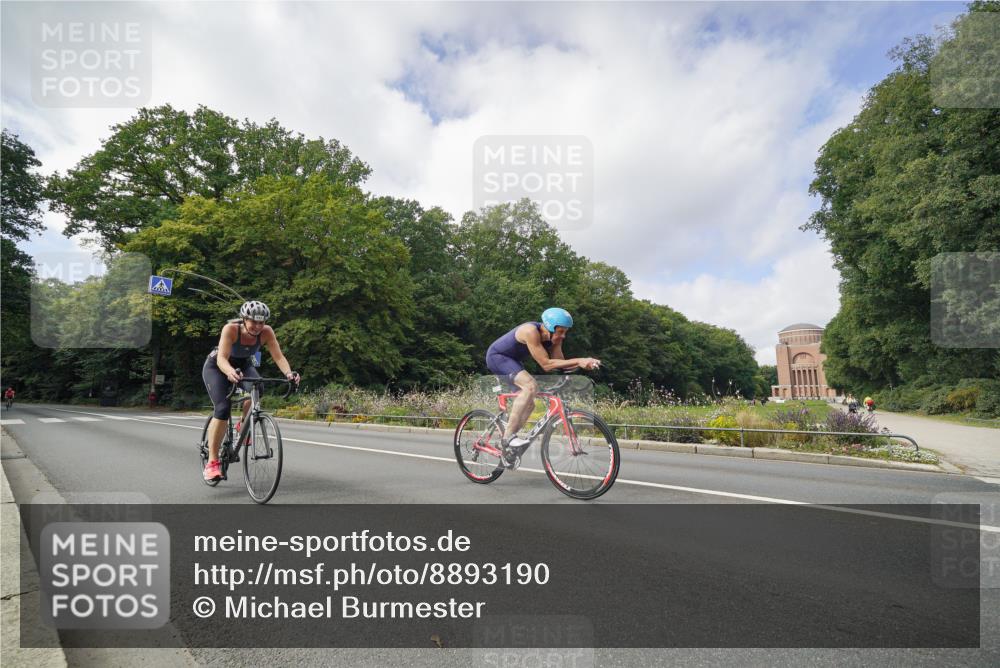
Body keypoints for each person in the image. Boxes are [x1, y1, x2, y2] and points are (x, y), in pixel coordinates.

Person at [485, 308, 600, 465]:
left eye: (565, 332)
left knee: (530, 404)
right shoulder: (530, 331)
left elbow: (560, 364)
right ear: (549, 328)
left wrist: (585, 364)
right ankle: (508, 438)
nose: (563, 336)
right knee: (531, 386)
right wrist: (579, 360)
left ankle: (506, 443)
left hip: (513, 362)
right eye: (560, 331)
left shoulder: (555, 338)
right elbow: (546, 365)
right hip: (497, 357)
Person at [202, 300, 300, 482]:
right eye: (254, 321)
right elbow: (222, 358)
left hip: (243, 365)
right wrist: (229, 372)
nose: (258, 326)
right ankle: (212, 462)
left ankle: (243, 424)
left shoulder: (267, 332)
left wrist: (289, 373)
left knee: (257, 388)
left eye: (261, 322)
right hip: (217, 367)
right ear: (244, 319)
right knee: (222, 409)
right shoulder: (231, 329)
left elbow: (278, 356)